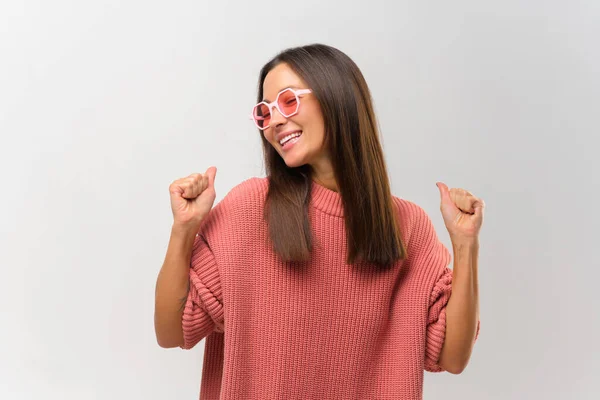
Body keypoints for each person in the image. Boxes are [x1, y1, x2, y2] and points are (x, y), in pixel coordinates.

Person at [154, 43, 484, 400]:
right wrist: (183, 230)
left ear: (335, 96)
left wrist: (465, 245)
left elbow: (452, 357)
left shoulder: (408, 228)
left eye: (288, 101)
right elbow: (171, 332)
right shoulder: (249, 209)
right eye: (265, 113)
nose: (275, 121)